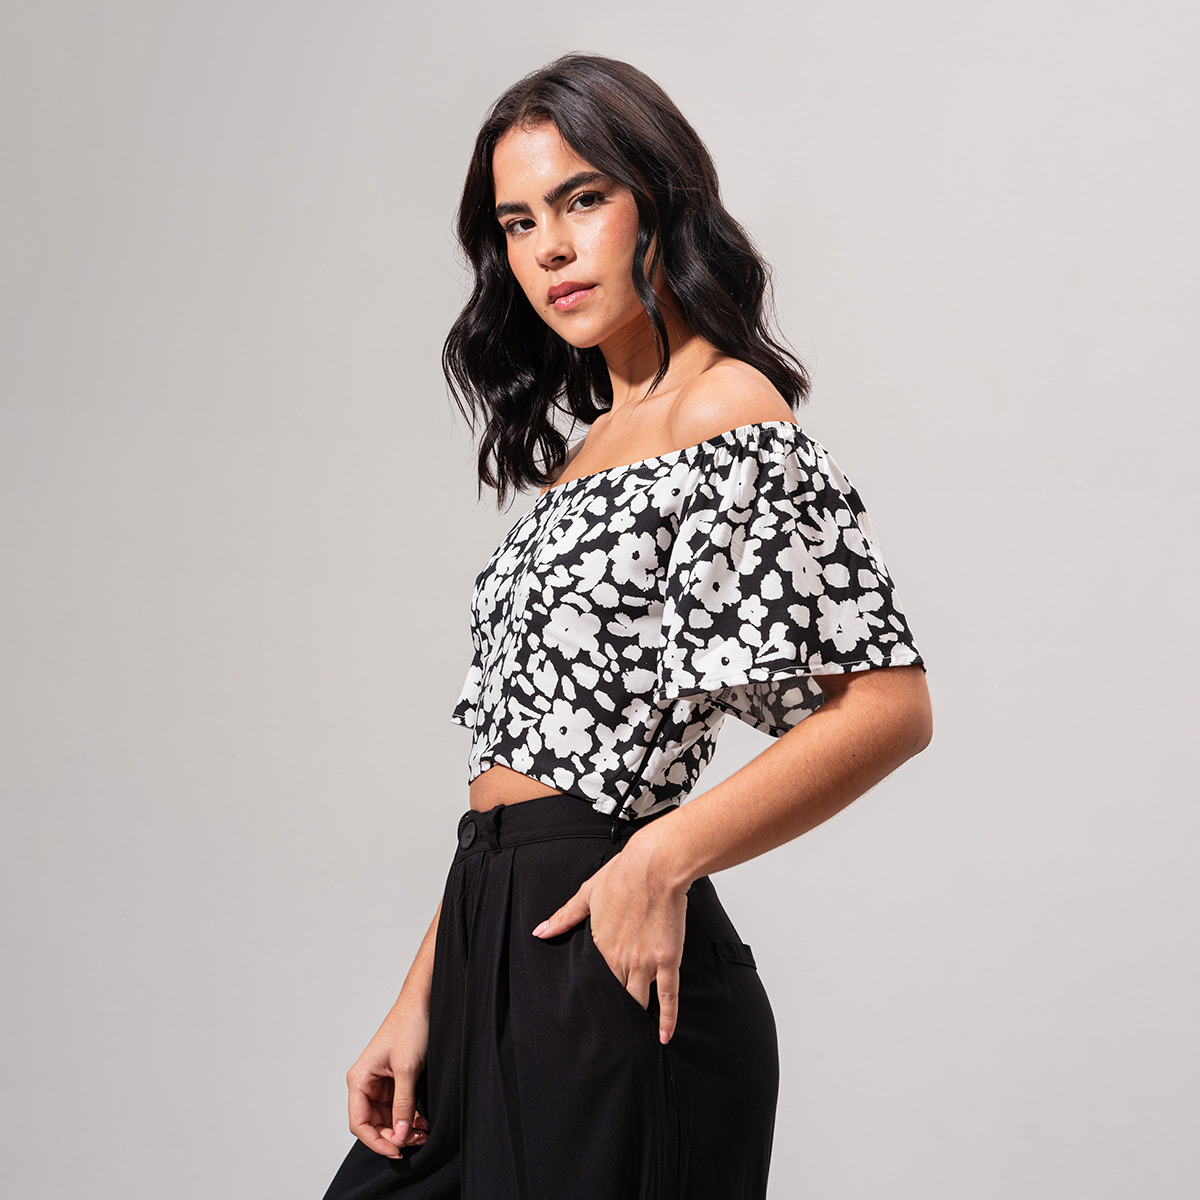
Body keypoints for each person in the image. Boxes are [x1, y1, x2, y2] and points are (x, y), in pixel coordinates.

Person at [320, 52, 932, 1200]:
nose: (548, 248)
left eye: (582, 199)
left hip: (606, 951)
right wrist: (423, 998)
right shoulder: (586, 451)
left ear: (660, 198)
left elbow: (889, 709)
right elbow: (517, 772)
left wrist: (663, 854)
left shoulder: (724, 406)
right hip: (492, 938)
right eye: (518, 223)